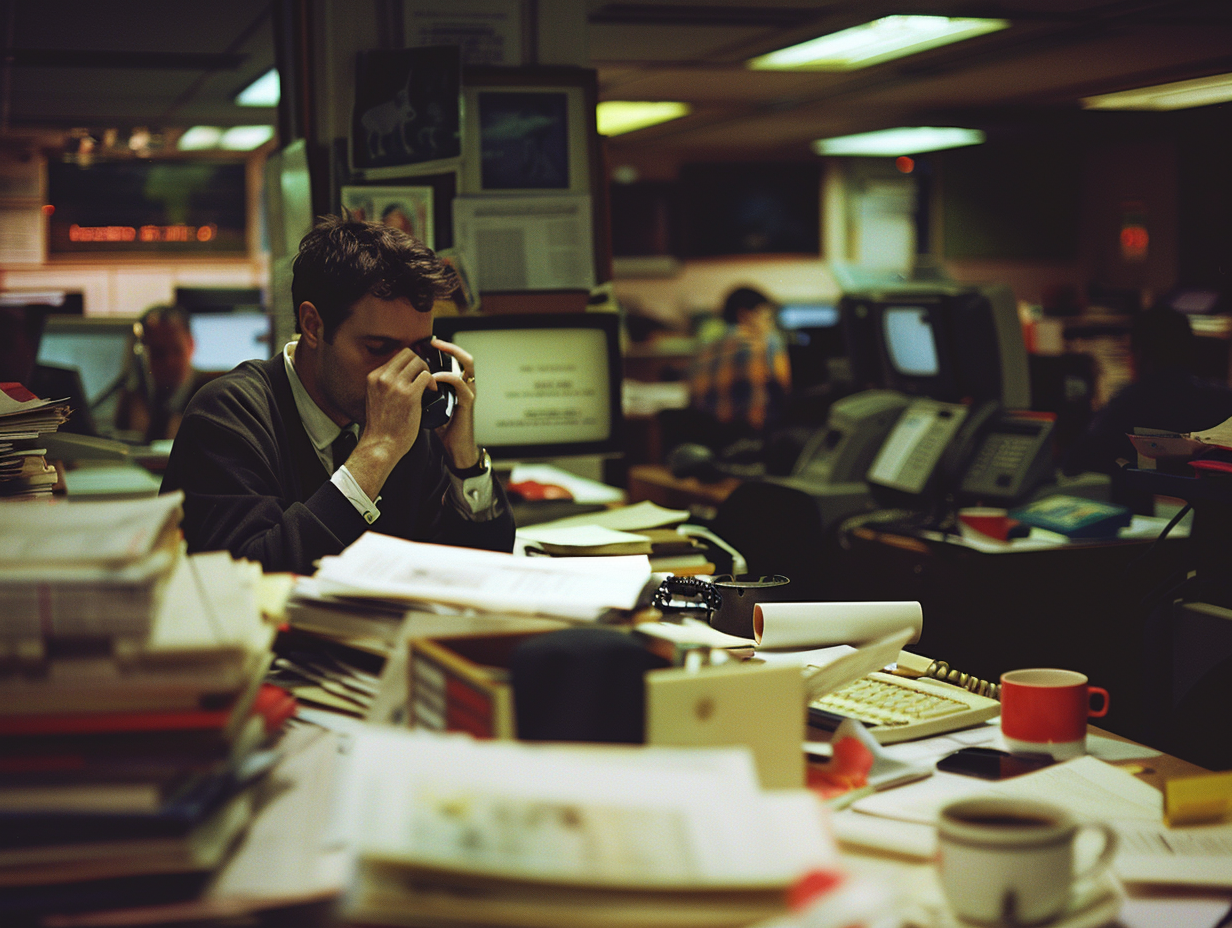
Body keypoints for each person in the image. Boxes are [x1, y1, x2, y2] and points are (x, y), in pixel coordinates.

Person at [160, 215, 515, 574]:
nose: (404, 376)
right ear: (313, 326)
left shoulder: (410, 425)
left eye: (419, 350)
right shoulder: (227, 417)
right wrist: (375, 453)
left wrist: (464, 461)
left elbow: (483, 572)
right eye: (379, 348)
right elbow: (247, 579)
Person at [1062, 304, 1232, 479]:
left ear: (1139, 355)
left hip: (1143, 500)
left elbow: (1074, 463)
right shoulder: (1224, 399)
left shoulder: (1128, 404)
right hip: (1206, 504)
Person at [686, 286, 792, 443]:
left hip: (708, 439)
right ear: (744, 315)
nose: (771, 325)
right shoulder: (767, 341)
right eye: (767, 318)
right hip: (752, 439)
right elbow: (785, 387)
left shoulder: (705, 346)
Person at [114, 304, 213, 442]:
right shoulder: (134, 400)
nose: (169, 362)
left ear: (191, 345)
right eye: (158, 353)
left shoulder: (213, 394)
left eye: (177, 350)